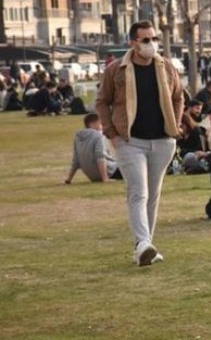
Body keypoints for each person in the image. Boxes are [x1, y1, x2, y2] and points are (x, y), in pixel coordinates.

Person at [95, 20, 183, 266]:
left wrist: (174, 126)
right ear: (132, 42)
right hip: (129, 141)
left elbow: (178, 97)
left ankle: (145, 247)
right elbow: (102, 102)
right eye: (145, 40)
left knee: (153, 195)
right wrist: (111, 132)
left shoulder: (166, 67)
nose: (151, 44)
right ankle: (143, 243)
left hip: (163, 140)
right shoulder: (116, 70)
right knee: (138, 192)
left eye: (154, 39)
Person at [64, 113, 121, 184]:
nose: (102, 126)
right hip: (111, 172)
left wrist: (68, 180)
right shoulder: (98, 135)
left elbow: (75, 160)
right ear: (92, 124)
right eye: (100, 123)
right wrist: (105, 178)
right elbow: (100, 156)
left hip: (92, 176)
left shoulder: (78, 138)